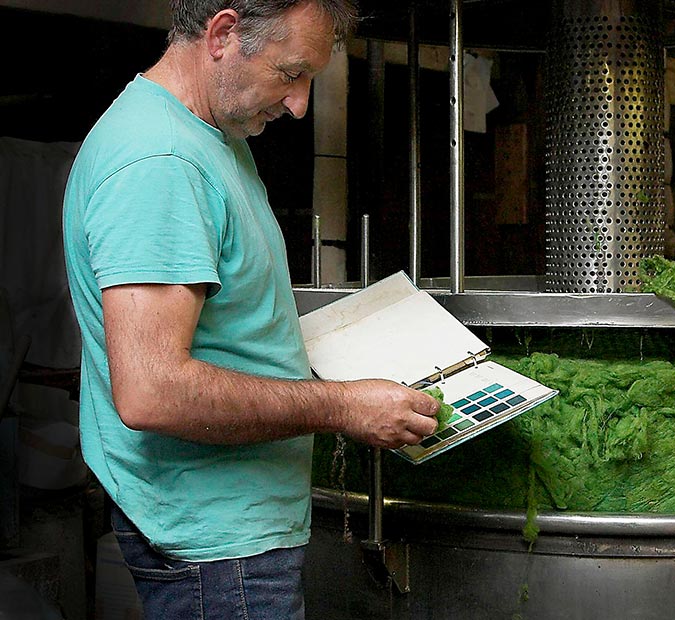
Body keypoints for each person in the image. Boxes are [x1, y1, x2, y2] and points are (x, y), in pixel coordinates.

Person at [61, 1, 440, 617]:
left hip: (233, 531)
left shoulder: (206, 136)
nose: (299, 105)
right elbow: (153, 390)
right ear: (223, 33)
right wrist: (345, 406)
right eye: (291, 74)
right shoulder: (162, 162)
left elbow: (224, 331)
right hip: (217, 549)